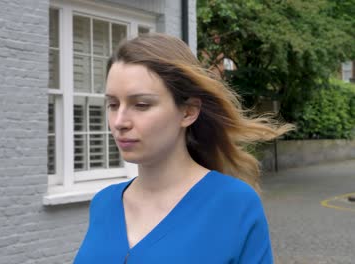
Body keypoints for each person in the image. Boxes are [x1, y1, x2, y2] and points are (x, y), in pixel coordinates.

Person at [73, 33, 293, 264]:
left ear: (188, 112)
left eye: (141, 105)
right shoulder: (104, 203)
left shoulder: (234, 204)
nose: (119, 122)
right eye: (113, 104)